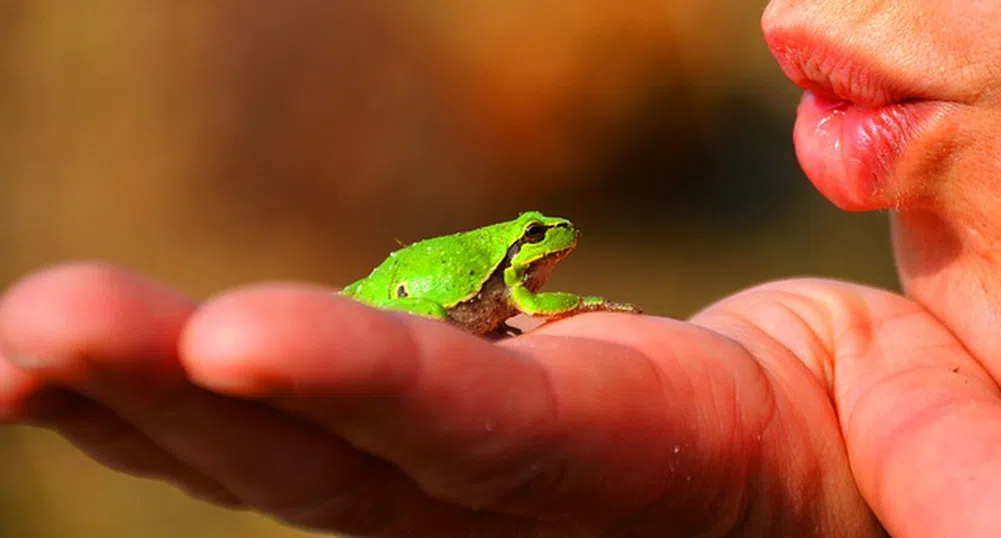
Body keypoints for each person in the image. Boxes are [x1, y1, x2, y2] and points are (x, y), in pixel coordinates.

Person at [2, 0, 998, 535]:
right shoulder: (515, 272)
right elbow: (525, 301)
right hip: (415, 305)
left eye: (549, 237)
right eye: (540, 236)